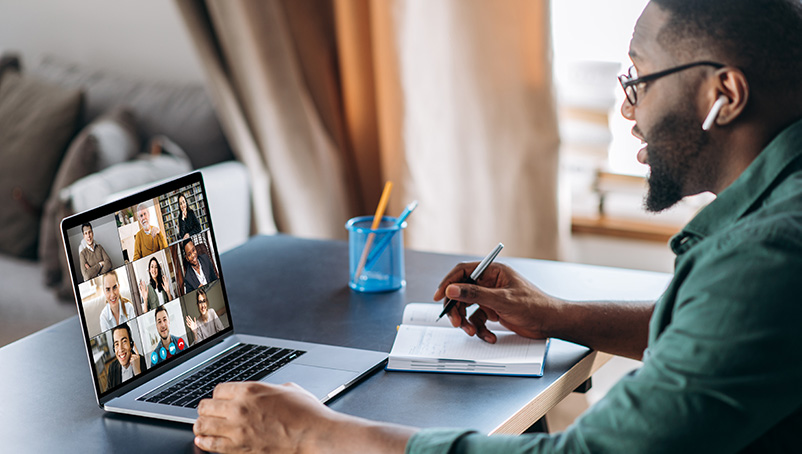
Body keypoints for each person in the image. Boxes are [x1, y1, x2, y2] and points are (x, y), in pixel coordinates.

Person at [192, 1, 802, 453]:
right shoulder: (775, 226)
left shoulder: (768, 257)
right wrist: (559, 316)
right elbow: (718, 329)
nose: (627, 107)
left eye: (639, 79)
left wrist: (311, 433)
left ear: (726, 93)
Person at [106, 323, 146, 391]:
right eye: (116, 344)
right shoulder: (112, 368)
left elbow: (147, 390)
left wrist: (137, 372)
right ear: (114, 348)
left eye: (124, 341)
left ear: (131, 344)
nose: (120, 349)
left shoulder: (142, 361)